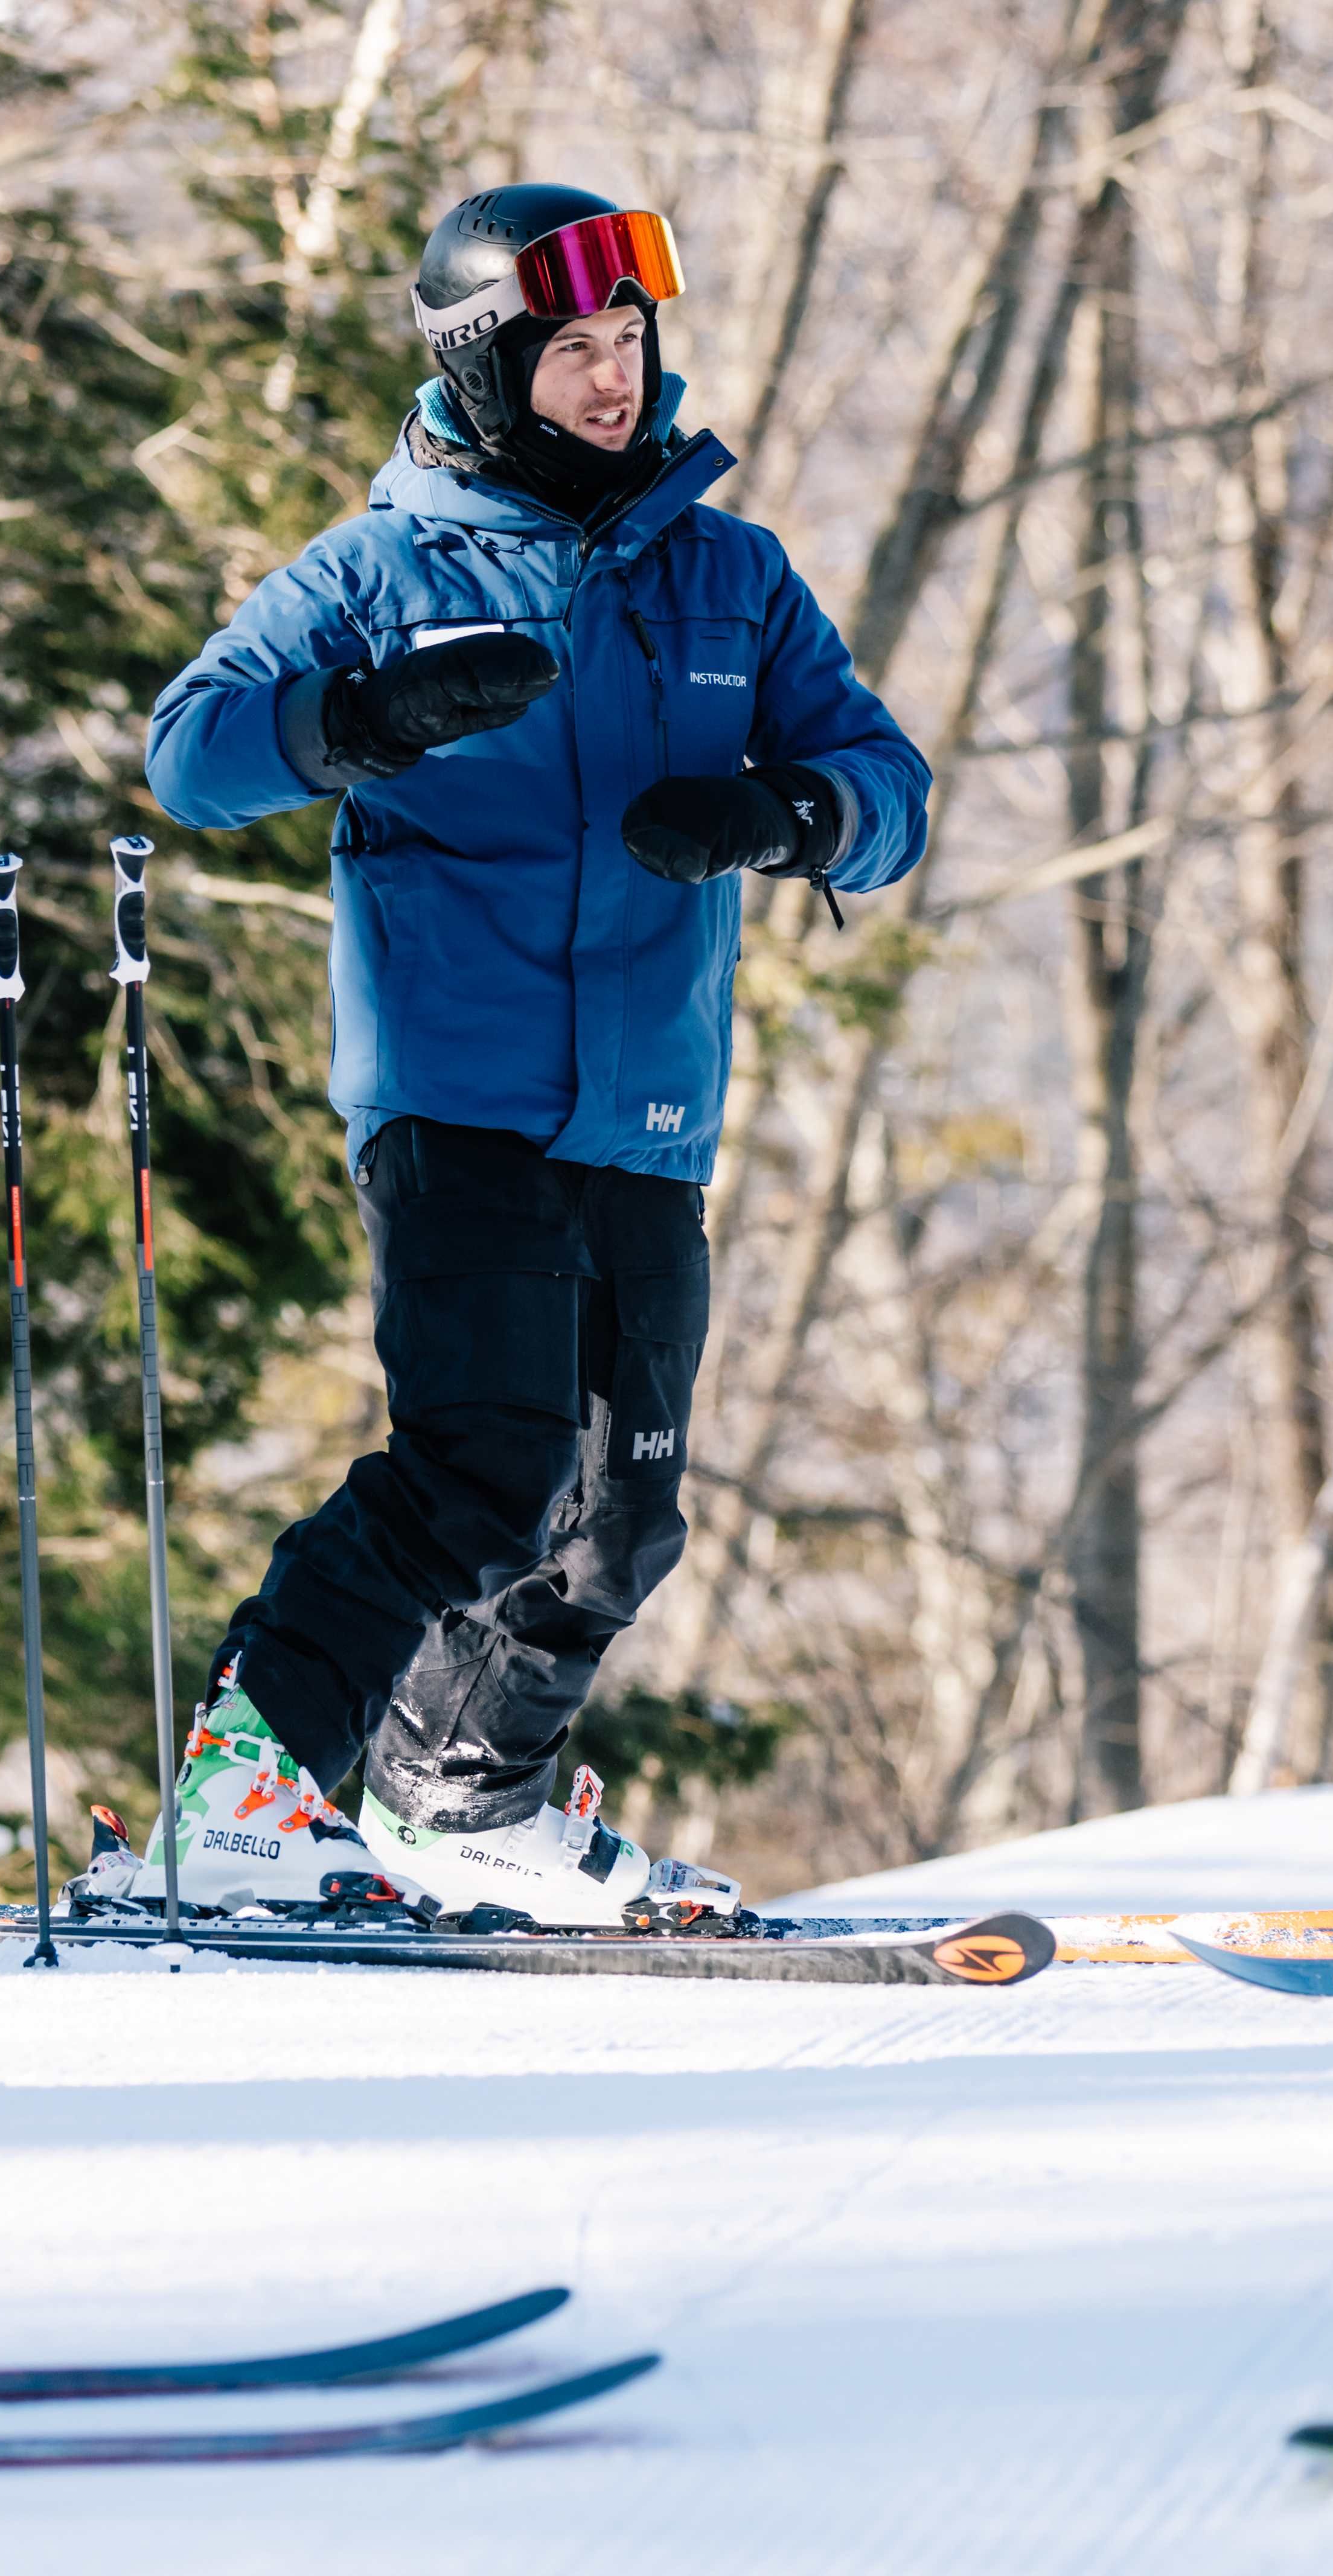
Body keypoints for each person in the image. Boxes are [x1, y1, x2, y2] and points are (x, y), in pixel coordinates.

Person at [130, 185, 928, 1926]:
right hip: (455, 1086)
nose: (613, 378)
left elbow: (890, 795)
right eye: (573, 347)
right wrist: (353, 722)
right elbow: (189, 755)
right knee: (478, 1461)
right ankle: (248, 1790)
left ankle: (462, 1796)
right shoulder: (375, 570)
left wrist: (783, 809)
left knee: (621, 1513)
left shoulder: (726, 572)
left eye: (631, 343)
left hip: (646, 1104)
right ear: (488, 368)